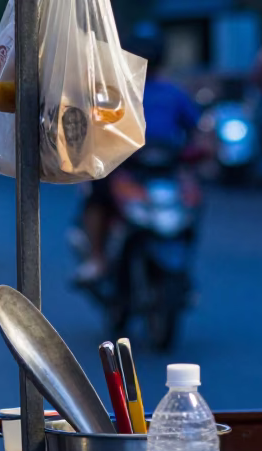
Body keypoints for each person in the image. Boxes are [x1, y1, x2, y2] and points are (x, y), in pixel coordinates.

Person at [76, 39, 201, 283]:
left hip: (163, 170)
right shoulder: (117, 93)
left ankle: (181, 263)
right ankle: (98, 257)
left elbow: (199, 133)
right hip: (124, 168)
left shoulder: (170, 93)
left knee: (192, 202)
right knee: (97, 195)